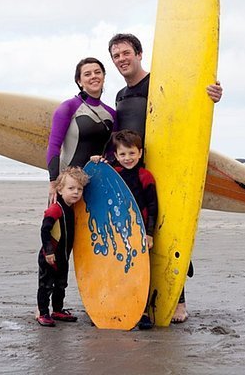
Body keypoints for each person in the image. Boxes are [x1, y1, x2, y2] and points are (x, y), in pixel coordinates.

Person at [108, 33, 223, 324]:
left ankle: (178, 300)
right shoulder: (120, 96)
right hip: (134, 171)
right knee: (137, 236)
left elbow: (187, 103)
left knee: (168, 231)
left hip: (164, 168)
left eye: (126, 53)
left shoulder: (158, 82)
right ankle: (140, 300)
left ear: (139, 53)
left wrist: (211, 94)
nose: (121, 59)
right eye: (116, 55)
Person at [92, 129, 158, 330]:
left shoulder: (145, 176)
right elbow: (97, 185)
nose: (127, 158)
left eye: (131, 153)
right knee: (117, 271)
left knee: (140, 273)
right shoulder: (114, 173)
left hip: (138, 232)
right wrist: (97, 162)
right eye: (122, 154)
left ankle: (143, 311)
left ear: (140, 152)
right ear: (115, 155)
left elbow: (153, 206)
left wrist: (149, 233)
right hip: (116, 231)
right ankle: (116, 307)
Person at [46, 57, 116, 205]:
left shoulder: (111, 113)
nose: (94, 76)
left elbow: (111, 151)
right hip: (68, 186)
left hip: (96, 184)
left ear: (103, 77)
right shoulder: (68, 107)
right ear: (79, 81)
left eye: (97, 72)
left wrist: (107, 162)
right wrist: (53, 182)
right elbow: (54, 145)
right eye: (87, 74)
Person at [36, 166, 89, 327]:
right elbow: (45, 230)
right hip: (49, 256)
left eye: (79, 189)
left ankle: (57, 310)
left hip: (63, 256)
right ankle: (43, 312)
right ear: (59, 190)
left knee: (61, 284)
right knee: (46, 285)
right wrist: (49, 252)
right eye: (71, 188)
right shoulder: (55, 210)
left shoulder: (72, 209)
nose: (76, 192)